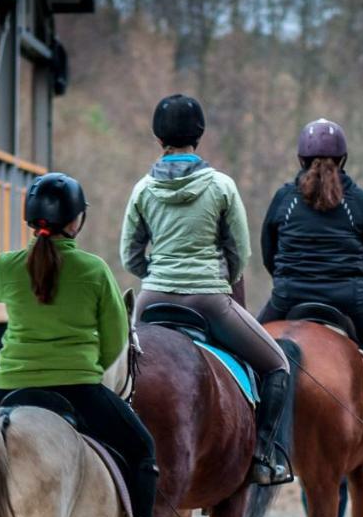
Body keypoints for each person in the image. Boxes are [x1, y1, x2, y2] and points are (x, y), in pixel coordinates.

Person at [0, 173, 161, 517]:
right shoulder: (93, 270)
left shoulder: (9, 266)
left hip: (11, 388)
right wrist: (85, 365)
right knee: (143, 450)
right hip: (78, 389)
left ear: (29, 218)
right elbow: (116, 339)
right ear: (77, 221)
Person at [120, 94, 292, 486]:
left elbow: (129, 255)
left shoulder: (142, 189)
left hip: (152, 301)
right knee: (278, 365)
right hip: (209, 300)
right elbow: (240, 253)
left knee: (118, 372)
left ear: (157, 136)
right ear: (199, 134)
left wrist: (159, 273)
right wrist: (216, 277)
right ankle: (264, 456)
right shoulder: (221, 186)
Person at [259, 118, 363, 464]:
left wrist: (287, 281)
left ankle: (254, 439)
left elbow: (268, 251)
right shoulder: (357, 201)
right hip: (349, 299)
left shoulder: (284, 199)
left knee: (240, 354)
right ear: (343, 159)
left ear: (300, 159)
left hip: (287, 298)